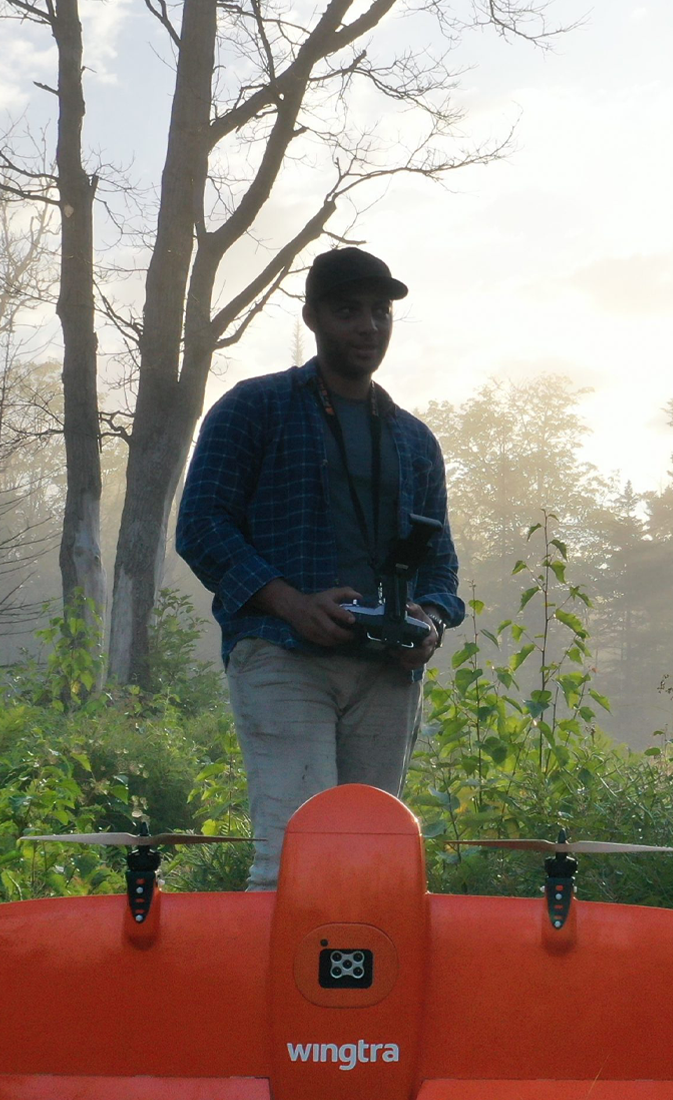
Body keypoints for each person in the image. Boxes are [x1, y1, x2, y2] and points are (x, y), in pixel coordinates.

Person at [176, 247, 463, 888]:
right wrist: (291, 604)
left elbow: (441, 566)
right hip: (281, 657)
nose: (368, 327)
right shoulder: (254, 408)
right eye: (347, 311)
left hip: (387, 673)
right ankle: (263, 988)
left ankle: (358, 989)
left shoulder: (414, 439)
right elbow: (200, 526)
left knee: (371, 862)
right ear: (311, 318)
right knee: (290, 857)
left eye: (380, 312)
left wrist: (430, 622)